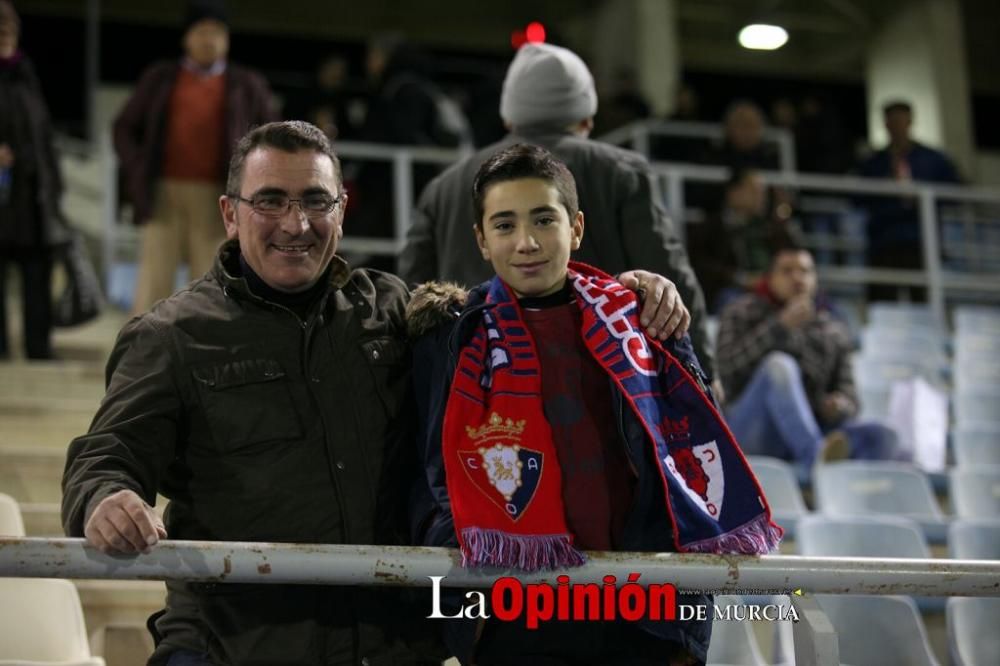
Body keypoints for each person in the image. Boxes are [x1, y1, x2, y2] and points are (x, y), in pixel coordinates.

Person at [61, 120, 695, 666]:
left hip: (391, 646)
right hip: (235, 646)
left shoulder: (397, 309)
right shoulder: (169, 336)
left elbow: (526, 315)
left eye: (315, 200)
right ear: (230, 213)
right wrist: (106, 497)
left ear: (342, 207)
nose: (296, 224)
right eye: (271, 201)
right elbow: (107, 452)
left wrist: (629, 294)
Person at [407, 144, 782, 666]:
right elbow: (428, 479)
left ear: (577, 228)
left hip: (644, 608)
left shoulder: (647, 319)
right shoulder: (449, 340)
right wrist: (476, 611)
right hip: (517, 611)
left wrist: (682, 620)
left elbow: (690, 463)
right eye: (505, 225)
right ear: (481, 240)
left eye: (544, 219)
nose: (527, 242)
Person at [399, 42, 718, 385]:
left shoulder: (443, 187)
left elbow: (413, 297)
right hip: (601, 387)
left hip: (475, 390)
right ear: (586, 118)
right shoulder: (623, 171)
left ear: (508, 117)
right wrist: (706, 375)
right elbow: (669, 282)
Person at [113, 0, 276, 314]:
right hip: (162, 193)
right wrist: (137, 168)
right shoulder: (161, 78)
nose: (209, 40)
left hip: (220, 196)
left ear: (227, 39)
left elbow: (269, 135)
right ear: (186, 37)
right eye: (201, 31)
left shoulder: (246, 84)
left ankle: (207, 356)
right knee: (153, 281)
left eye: (216, 32)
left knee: (213, 281)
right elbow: (123, 127)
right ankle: (146, 354)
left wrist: (253, 182)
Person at [716, 242, 904, 471]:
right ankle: (817, 459)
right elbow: (726, 373)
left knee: (884, 436)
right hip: (752, 430)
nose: (797, 278)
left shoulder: (833, 327)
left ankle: (829, 478)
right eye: (787, 271)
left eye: (805, 271)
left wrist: (839, 405)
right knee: (780, 366)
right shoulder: (741, 311)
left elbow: (850, 397)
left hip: (815, 426)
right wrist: (779, 327)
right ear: (770, 278)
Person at [0, 0, 63, 359]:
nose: (5, 34)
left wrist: (54, 190)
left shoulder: (26, 74)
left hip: (32, 197)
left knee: (37, 274)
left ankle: (38, 347)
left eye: (9, 28)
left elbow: (43, 136)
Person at [857, 100, 960, 301]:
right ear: (885, 124)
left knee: (924, 301)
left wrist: (918, 192)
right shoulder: (873, 162)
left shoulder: (933, 159)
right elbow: (856, 198)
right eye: (892, 121)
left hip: (921, 241)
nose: (897, 126)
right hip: (883, 241)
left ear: (910, 121)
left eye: (901, 120)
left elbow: (956, 192)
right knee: (882, 302)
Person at [686, 168, 788, 313]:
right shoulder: (711, 227)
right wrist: (741, 279)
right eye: (754, 191)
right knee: (731, 301)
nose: (761, 197)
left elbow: (790, 255)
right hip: (730, 292)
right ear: (733, 193)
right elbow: (700, 266)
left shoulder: (770, 228)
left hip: (771, 290)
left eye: (763, 192)